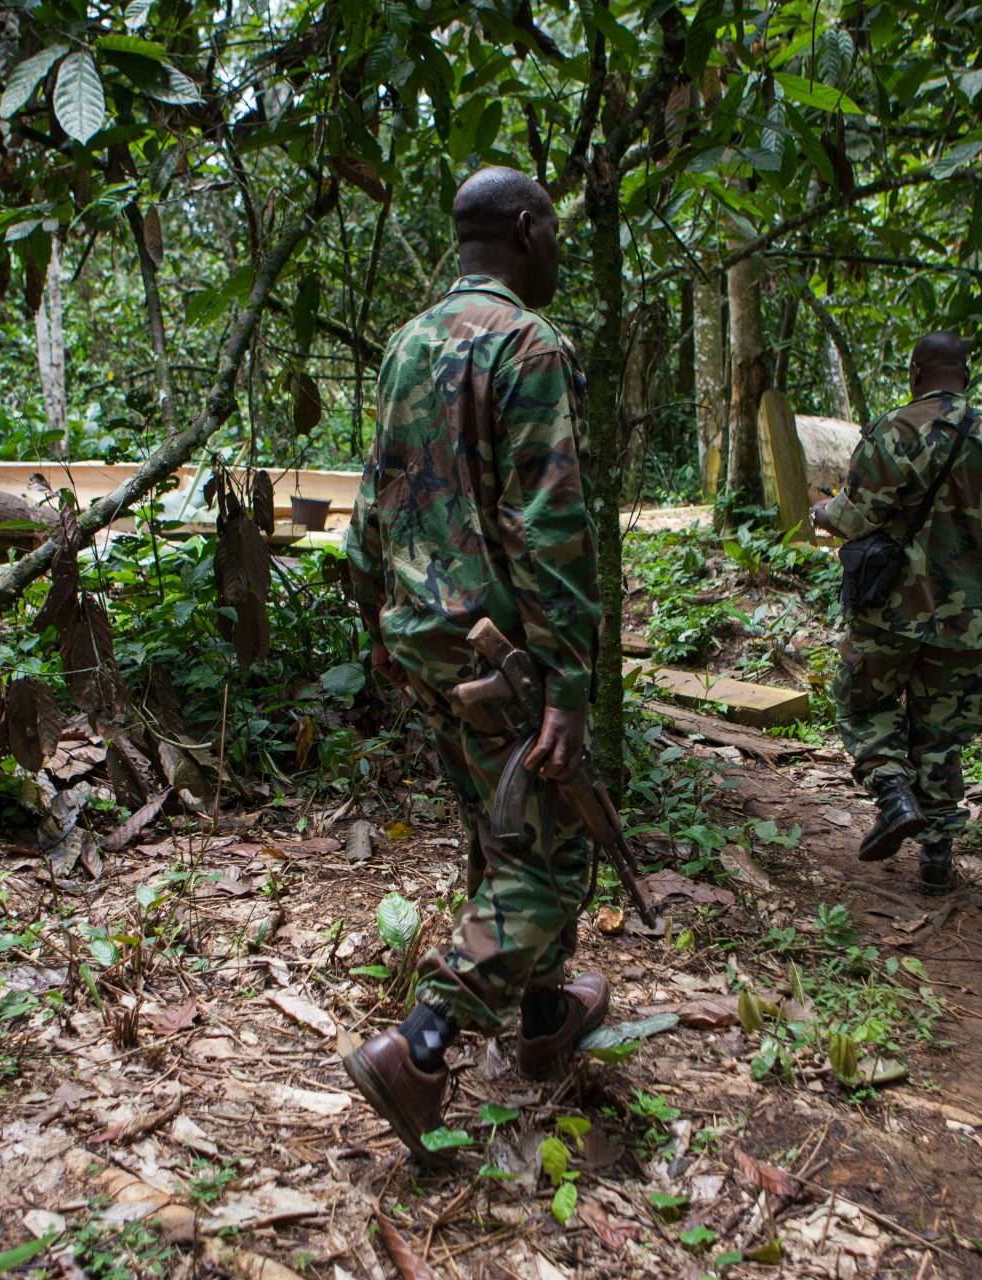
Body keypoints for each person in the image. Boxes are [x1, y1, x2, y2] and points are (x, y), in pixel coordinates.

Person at [340, 166, 608, 1160]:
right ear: (529, 231)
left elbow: (373, 499)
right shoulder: (530, 345)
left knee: (503, 827)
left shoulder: (407, 344)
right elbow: (553, 529)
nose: (559, 249)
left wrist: (377, 624)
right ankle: (422, 1043)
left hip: (424, 638)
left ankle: (544, 1018)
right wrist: (570, 685)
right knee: (552, 856)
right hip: (507, 649)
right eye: (556, 233)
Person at [810, 332, 982, 894]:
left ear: (915, 373)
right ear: (966, 373)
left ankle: (892, 792)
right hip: (964, 619)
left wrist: (822, 511)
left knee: (862, 703)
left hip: (890, 610)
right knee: (940, 734)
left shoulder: (894, 431)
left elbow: (855, 517)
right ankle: (936, 856)